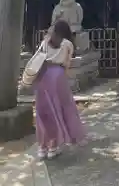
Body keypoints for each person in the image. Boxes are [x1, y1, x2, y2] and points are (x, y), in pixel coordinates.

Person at [34, 20, 86, 159]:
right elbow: (67, 63)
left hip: (43, 75)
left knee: (43, 111)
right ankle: (53, 146)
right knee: (58, 109)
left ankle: (42, 147)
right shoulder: (67, 44)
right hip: (58, 75)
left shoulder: (45, 41)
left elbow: (38, 58)